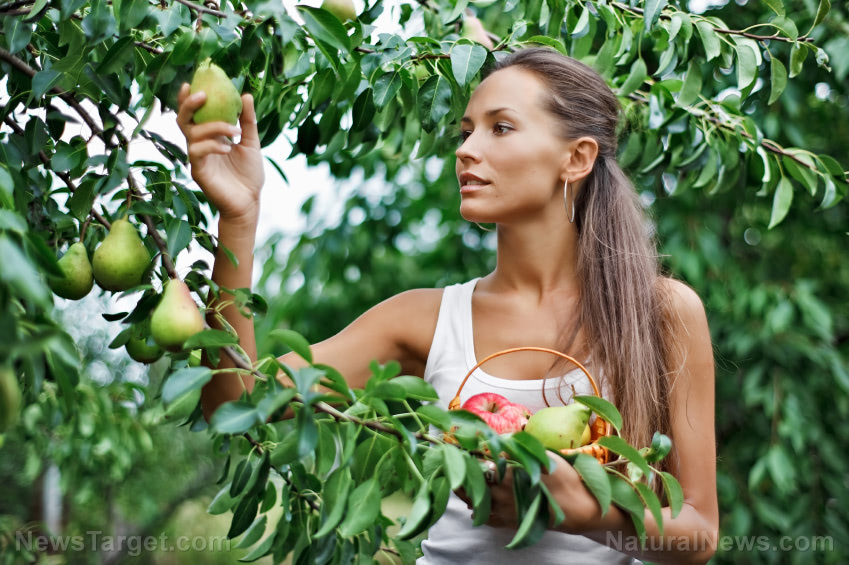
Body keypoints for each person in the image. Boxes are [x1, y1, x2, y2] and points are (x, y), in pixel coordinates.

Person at [176, 47, 718, 564]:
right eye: (465, 132)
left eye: (500, 128)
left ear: (576, 158)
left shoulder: (659, 313)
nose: (465, 149)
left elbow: (697, 537)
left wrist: (585, 513)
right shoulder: (425, 319)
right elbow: (234, 403)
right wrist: (240, 219)